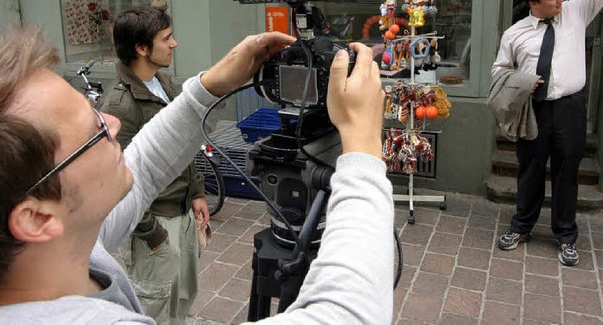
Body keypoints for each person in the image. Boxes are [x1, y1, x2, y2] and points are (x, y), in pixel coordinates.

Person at [0, 24, 393, 324]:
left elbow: (146, 163)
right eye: (94, 132)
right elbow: (346, 313)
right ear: (36, 218)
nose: (113, 125)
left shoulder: (52, 252)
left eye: (96, 110)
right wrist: (362, 147)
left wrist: (208, 88)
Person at [491, 0, 603, 266]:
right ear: (535, 4)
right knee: (531, 170)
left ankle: (566, 236)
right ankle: (521, 226)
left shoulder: (576, 11)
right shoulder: (515, 33)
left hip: (570, 109)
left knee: (567, 172)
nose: (560, 0)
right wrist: (522, 81)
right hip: (534, 111)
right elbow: (499, 71)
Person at [97, 6, 207, 324]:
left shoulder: (165, 84)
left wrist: (196, 192)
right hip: (155, 227)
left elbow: (185, 144)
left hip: (182, 214)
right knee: (153, 311)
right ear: (142, 49)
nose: (175, 44)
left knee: (183, 299)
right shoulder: (121, 106)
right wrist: (151, 232)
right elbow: (114, 181)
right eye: (166, 38)